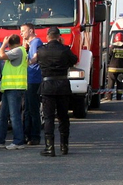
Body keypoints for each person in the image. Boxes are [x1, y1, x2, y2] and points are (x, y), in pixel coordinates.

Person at [36, 26, 78, 156]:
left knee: (48, 117)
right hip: (63, 85)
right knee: (63, 116)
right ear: (59, 37)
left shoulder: (41, 50)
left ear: (48, 36)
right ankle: (64, 147)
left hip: (48, 85)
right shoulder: (64, 50)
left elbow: (38, 61)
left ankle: (50, 148)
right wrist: (63, 46)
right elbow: (74, 60)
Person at [0, 34, 27, 150]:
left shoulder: (18, 51)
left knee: (14, 115)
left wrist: (3, 45)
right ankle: (0, 140)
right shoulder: (19, 51)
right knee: (3, 115)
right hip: (9, 88)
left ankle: (18, 141)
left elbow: (1, 56)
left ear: (10, 43)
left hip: (15, 88)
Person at [20, 23, 43, 145]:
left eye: (23, 30)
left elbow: (36, 58)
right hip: (28, 80)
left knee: (33, 109)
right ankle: (27, 135)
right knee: (27, 109)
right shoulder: (30, 44)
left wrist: (26, 62)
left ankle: (35, 136)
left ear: (31, 31)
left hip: (34, 80)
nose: (21, 33)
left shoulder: (36, 42)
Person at [105, 33, 123, 101]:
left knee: (111, 83)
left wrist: (107, 65)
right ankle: (119, 97)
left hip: (112, 69)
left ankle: (109, 97)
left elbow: (109, 57)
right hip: (121, 69)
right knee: (120, 84)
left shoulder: (112, 47)